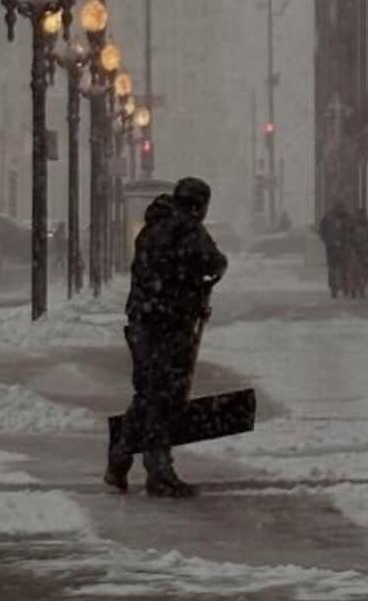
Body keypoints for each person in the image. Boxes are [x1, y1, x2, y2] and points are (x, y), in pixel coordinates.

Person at [106, 176, 227, 498]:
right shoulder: (186, 228)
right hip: (170, 322)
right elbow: (215, 261)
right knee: (165, 395)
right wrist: (195, 283)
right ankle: (158, 469)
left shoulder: (151, 227)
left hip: (143, 319)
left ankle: (120, 458)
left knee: (147, 391)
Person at [318, 203, 352, 299]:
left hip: (338, 247)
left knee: (340, 268)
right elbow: (322, 231)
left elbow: (321, 231)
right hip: (335, 247)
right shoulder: (344, 217)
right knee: (340, 268)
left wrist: (327, 240)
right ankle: (338, 288)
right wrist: (328, 240)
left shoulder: (332, 216)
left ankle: (341, 288)